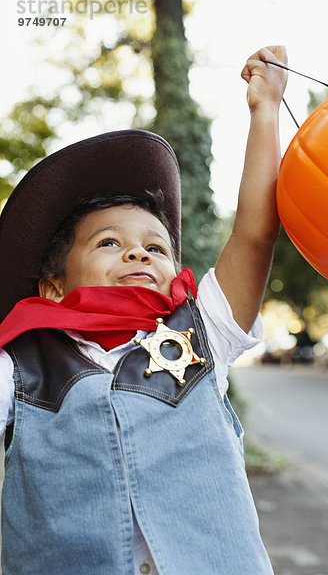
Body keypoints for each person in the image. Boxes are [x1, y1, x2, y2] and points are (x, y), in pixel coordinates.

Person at [0, 45, 287, 575]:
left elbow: (255, 232)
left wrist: (264, 111)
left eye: (155, 248)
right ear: (53, 288)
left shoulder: (205, 332)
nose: (137, 252)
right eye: (109, 243)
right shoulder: (21, 365)